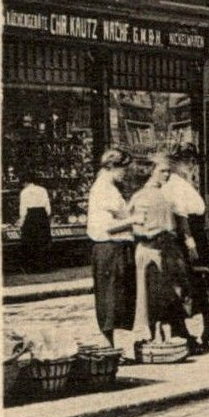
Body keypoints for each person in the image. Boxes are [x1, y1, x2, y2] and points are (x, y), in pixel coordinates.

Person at [164, 147, 209, 351]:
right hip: (190, 239)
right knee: (194, 283)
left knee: (207, 282)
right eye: (189, 162)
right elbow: (182, 219)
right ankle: (182, 332)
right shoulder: (175, 185)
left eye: (193, 162)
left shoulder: (185, 183)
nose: (192, 166)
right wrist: (190, 244)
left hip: (198, 237)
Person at [129, 153, 195, 347]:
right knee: (151, 295)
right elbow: (136, 226)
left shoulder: (166, 194)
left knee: (172, 294)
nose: (166, 175)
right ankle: (155, 336)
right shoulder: (141, 196)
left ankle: (171, 335)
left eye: (168, 171)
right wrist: (152, 233)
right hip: (151, 249)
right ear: (151, 172)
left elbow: (178, 221)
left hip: (168, 249)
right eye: (162, 171)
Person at [87, 149, 138, 348]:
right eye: (123, 168)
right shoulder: (103, 189)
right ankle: (112, 347)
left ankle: (116, 347)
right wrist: (133, 220)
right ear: (111, 167)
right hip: (109, 249)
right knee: (111, 299)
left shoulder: (110, 187)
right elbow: (107, 225)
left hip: (118, 248)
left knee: (119, 298)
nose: (125, 172)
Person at [17, 176, 53, 272]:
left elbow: (23, 209)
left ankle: (32, 267)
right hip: (42, 215)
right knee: (43, 241)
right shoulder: (42, 190)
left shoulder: (24, 192)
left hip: (31, 216)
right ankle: (45, 267)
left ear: (25, 183)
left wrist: (21, 222)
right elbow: (48, 207)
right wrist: (46, 216)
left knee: (31, 242)